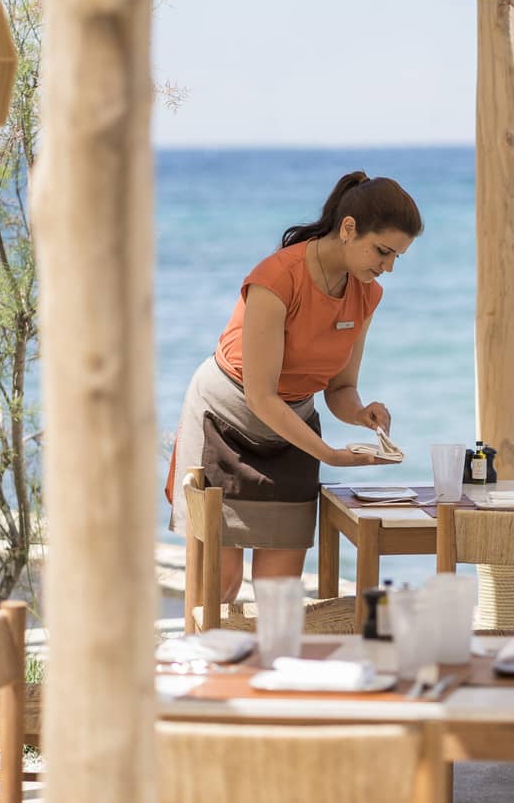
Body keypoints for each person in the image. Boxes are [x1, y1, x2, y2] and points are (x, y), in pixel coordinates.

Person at [168, 170, 422, 602]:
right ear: (348, 229)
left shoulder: (367, 293)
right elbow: (260, 395)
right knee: (219, 585)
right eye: (383, 251)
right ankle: (204, 665)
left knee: (278, 595)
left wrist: (360, 414)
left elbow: (340, 389)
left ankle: (266, 668)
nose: (388, 268)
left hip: (292, 428)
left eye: (397, 257)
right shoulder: (275, 278)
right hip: (221, 419)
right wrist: (327, 454)